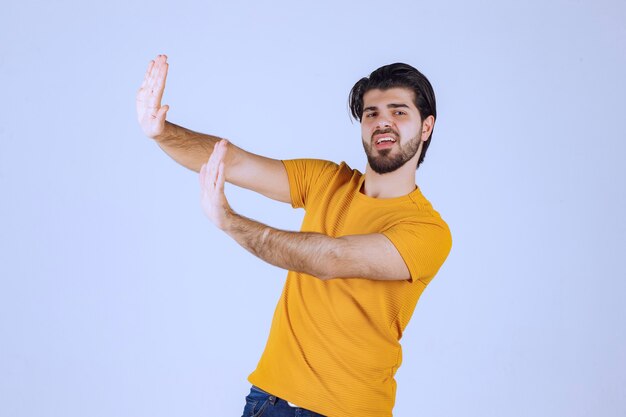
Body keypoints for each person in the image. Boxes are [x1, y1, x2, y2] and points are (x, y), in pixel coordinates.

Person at [136, 54, 452, 417]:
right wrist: (161, 132)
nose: (383, 123)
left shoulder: (427, 231)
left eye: (398, 112)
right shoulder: (326, 181)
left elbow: (330, 260)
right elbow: (232, 161)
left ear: (426, 127)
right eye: (371, 113)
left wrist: (230, 221)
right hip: (268, 402)